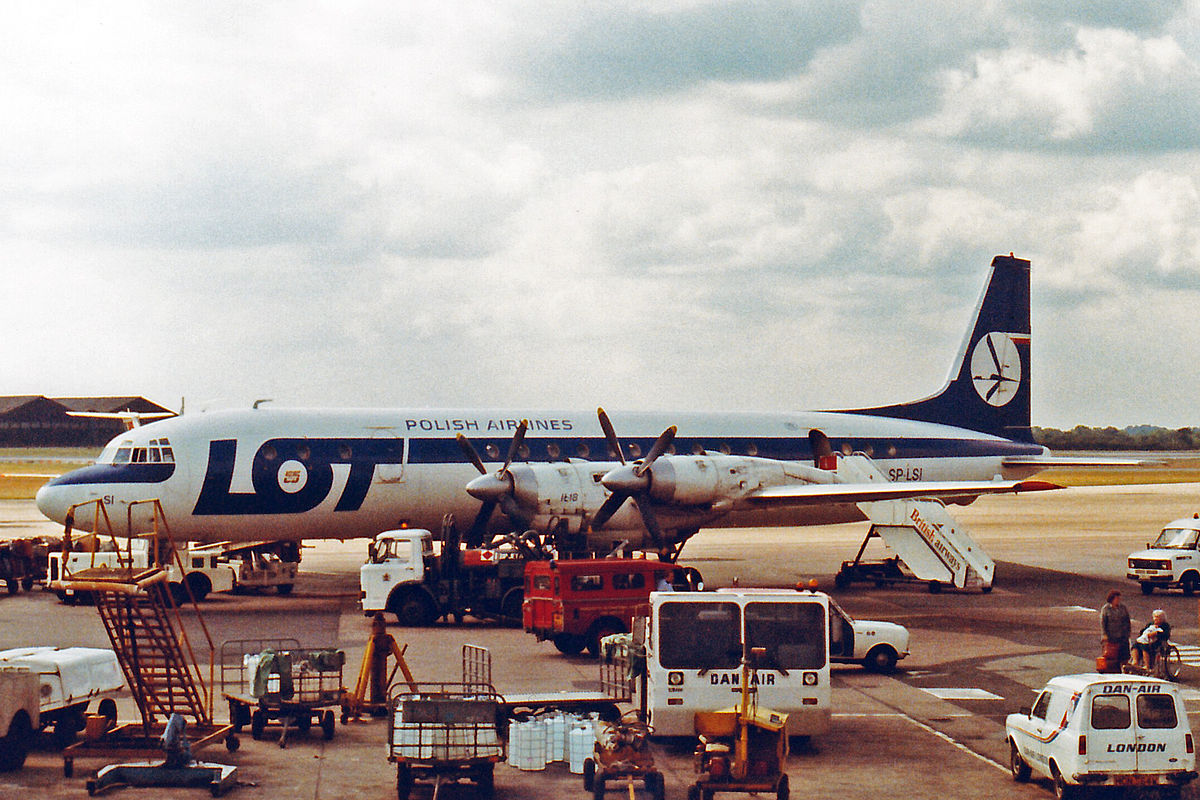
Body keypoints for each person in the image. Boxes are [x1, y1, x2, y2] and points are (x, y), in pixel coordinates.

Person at [1101, 589, 1131, 670]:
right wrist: (1104, 634)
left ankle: (1124, 669)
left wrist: (1128, 633)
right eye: (1116, 599)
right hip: (1112, 636)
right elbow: (1103, 622)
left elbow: (1127, 620)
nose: (1118, 600)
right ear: (1112, 599)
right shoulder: (1106, 609)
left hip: (1123, 635)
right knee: (1113, 656)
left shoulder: (1123, 607)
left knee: (1124, 656)